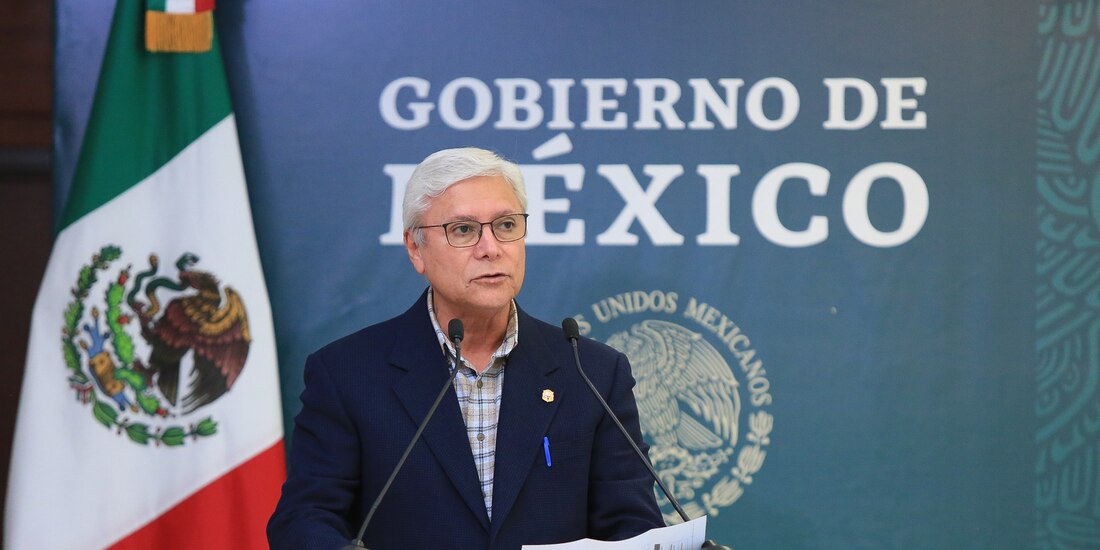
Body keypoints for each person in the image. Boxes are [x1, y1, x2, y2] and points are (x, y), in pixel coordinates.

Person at [268, 147, 663, 549]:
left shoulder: (592, 372)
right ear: (415, 249)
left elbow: (634, 525)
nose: (491, 248)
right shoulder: (348, 373)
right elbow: (306, 519)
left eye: (506, 225)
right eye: (463, 230)